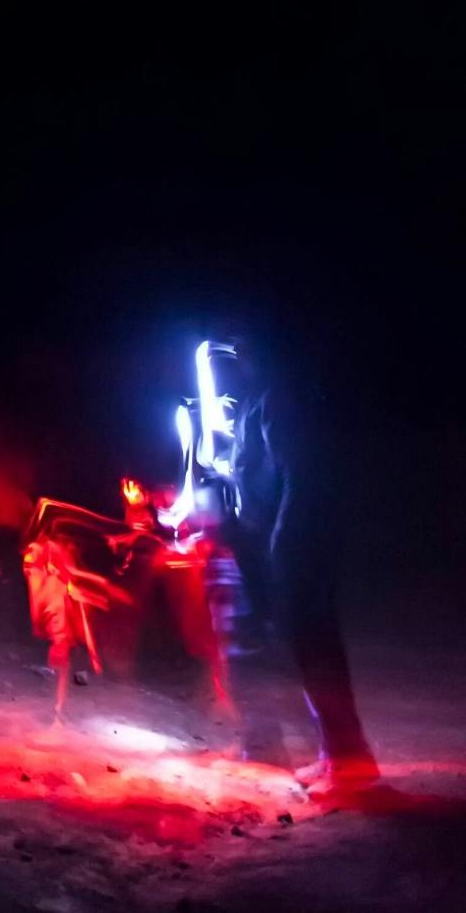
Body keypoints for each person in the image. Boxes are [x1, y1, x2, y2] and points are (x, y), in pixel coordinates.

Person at [197, 335, 381, 795]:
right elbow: (258, 471)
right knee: (290, 647)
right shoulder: (261, 402)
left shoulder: (283, 399)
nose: (234, 361)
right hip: (270, 545)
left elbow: (300, 479)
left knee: (314, 646)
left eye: (244, 350)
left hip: (294, 545)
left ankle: (349, 762)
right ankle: (332, 755)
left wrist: (286, 543)